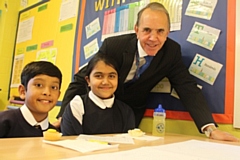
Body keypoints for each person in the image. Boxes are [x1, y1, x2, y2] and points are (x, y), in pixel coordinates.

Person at [56, 2, 238, 141]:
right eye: (147, 30)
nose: (153, 38)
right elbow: (81, 79)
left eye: (160, 31)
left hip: (130, 115)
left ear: (168, 32)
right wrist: (62, 115)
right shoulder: (114, 46)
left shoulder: (171, 52)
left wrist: (211, 129)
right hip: (96, 109)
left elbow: (187, 87)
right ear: (136, 30)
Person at [61, 53, 135, 135]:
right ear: (88, 80)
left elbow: (128, 144)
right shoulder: (77, 106)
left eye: (111, 76)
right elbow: (71, 142)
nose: (105, 82)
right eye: (99, 76)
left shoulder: (126, 111)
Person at [0, 61, 62, 138]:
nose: (47, 92)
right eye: (39, 85)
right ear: (22, 91)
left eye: (53, 87)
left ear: (58, 95)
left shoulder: (54, 134)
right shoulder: (4, 122)